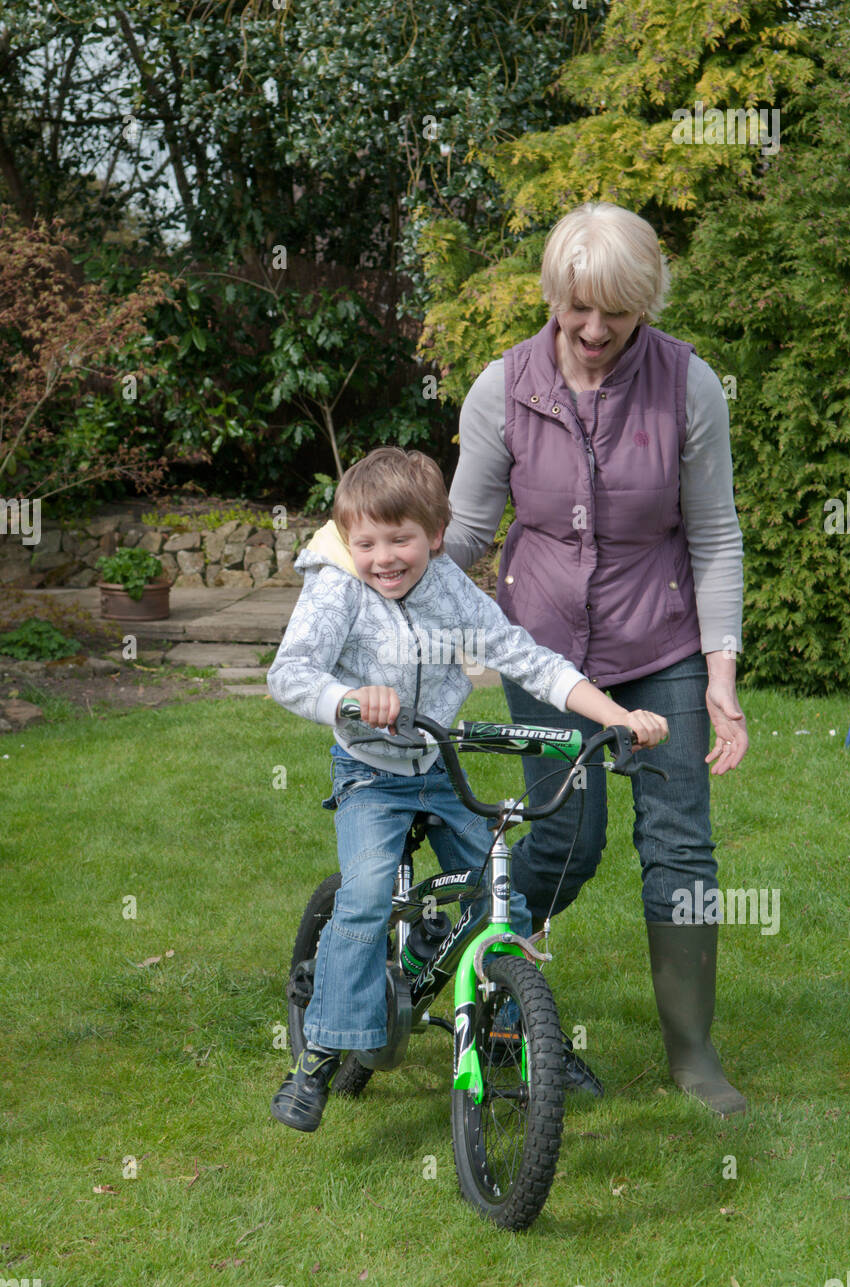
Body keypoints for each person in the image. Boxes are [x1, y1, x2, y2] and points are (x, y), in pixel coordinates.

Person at [445, 201, 748, 1116]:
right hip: (541, 649)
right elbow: (461, 532)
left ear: (644, 301)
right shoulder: (504, 389)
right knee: (570, 839)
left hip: (660, 646)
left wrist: (721, 683)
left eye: (615, 311)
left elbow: (715, 537)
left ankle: (692, 1052)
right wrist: (389, 613)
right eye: (575, 307)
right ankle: (475, 955)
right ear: (552, 295)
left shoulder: (687, 386)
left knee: (681, 847)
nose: (591, 329)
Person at [266, 446, 668, 1132]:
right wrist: (349, 698)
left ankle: (519, 1035)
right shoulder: (337, 587)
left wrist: (616, 716)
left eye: (401, 540)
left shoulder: (449, 588)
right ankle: (320, 1053)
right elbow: (290, 672)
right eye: (366, 542)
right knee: (363, 898)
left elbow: (525, 657)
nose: (383, 557)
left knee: (498, 893)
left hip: (435, 764)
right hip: (370, 772)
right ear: (345, 538)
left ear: (435, 535)